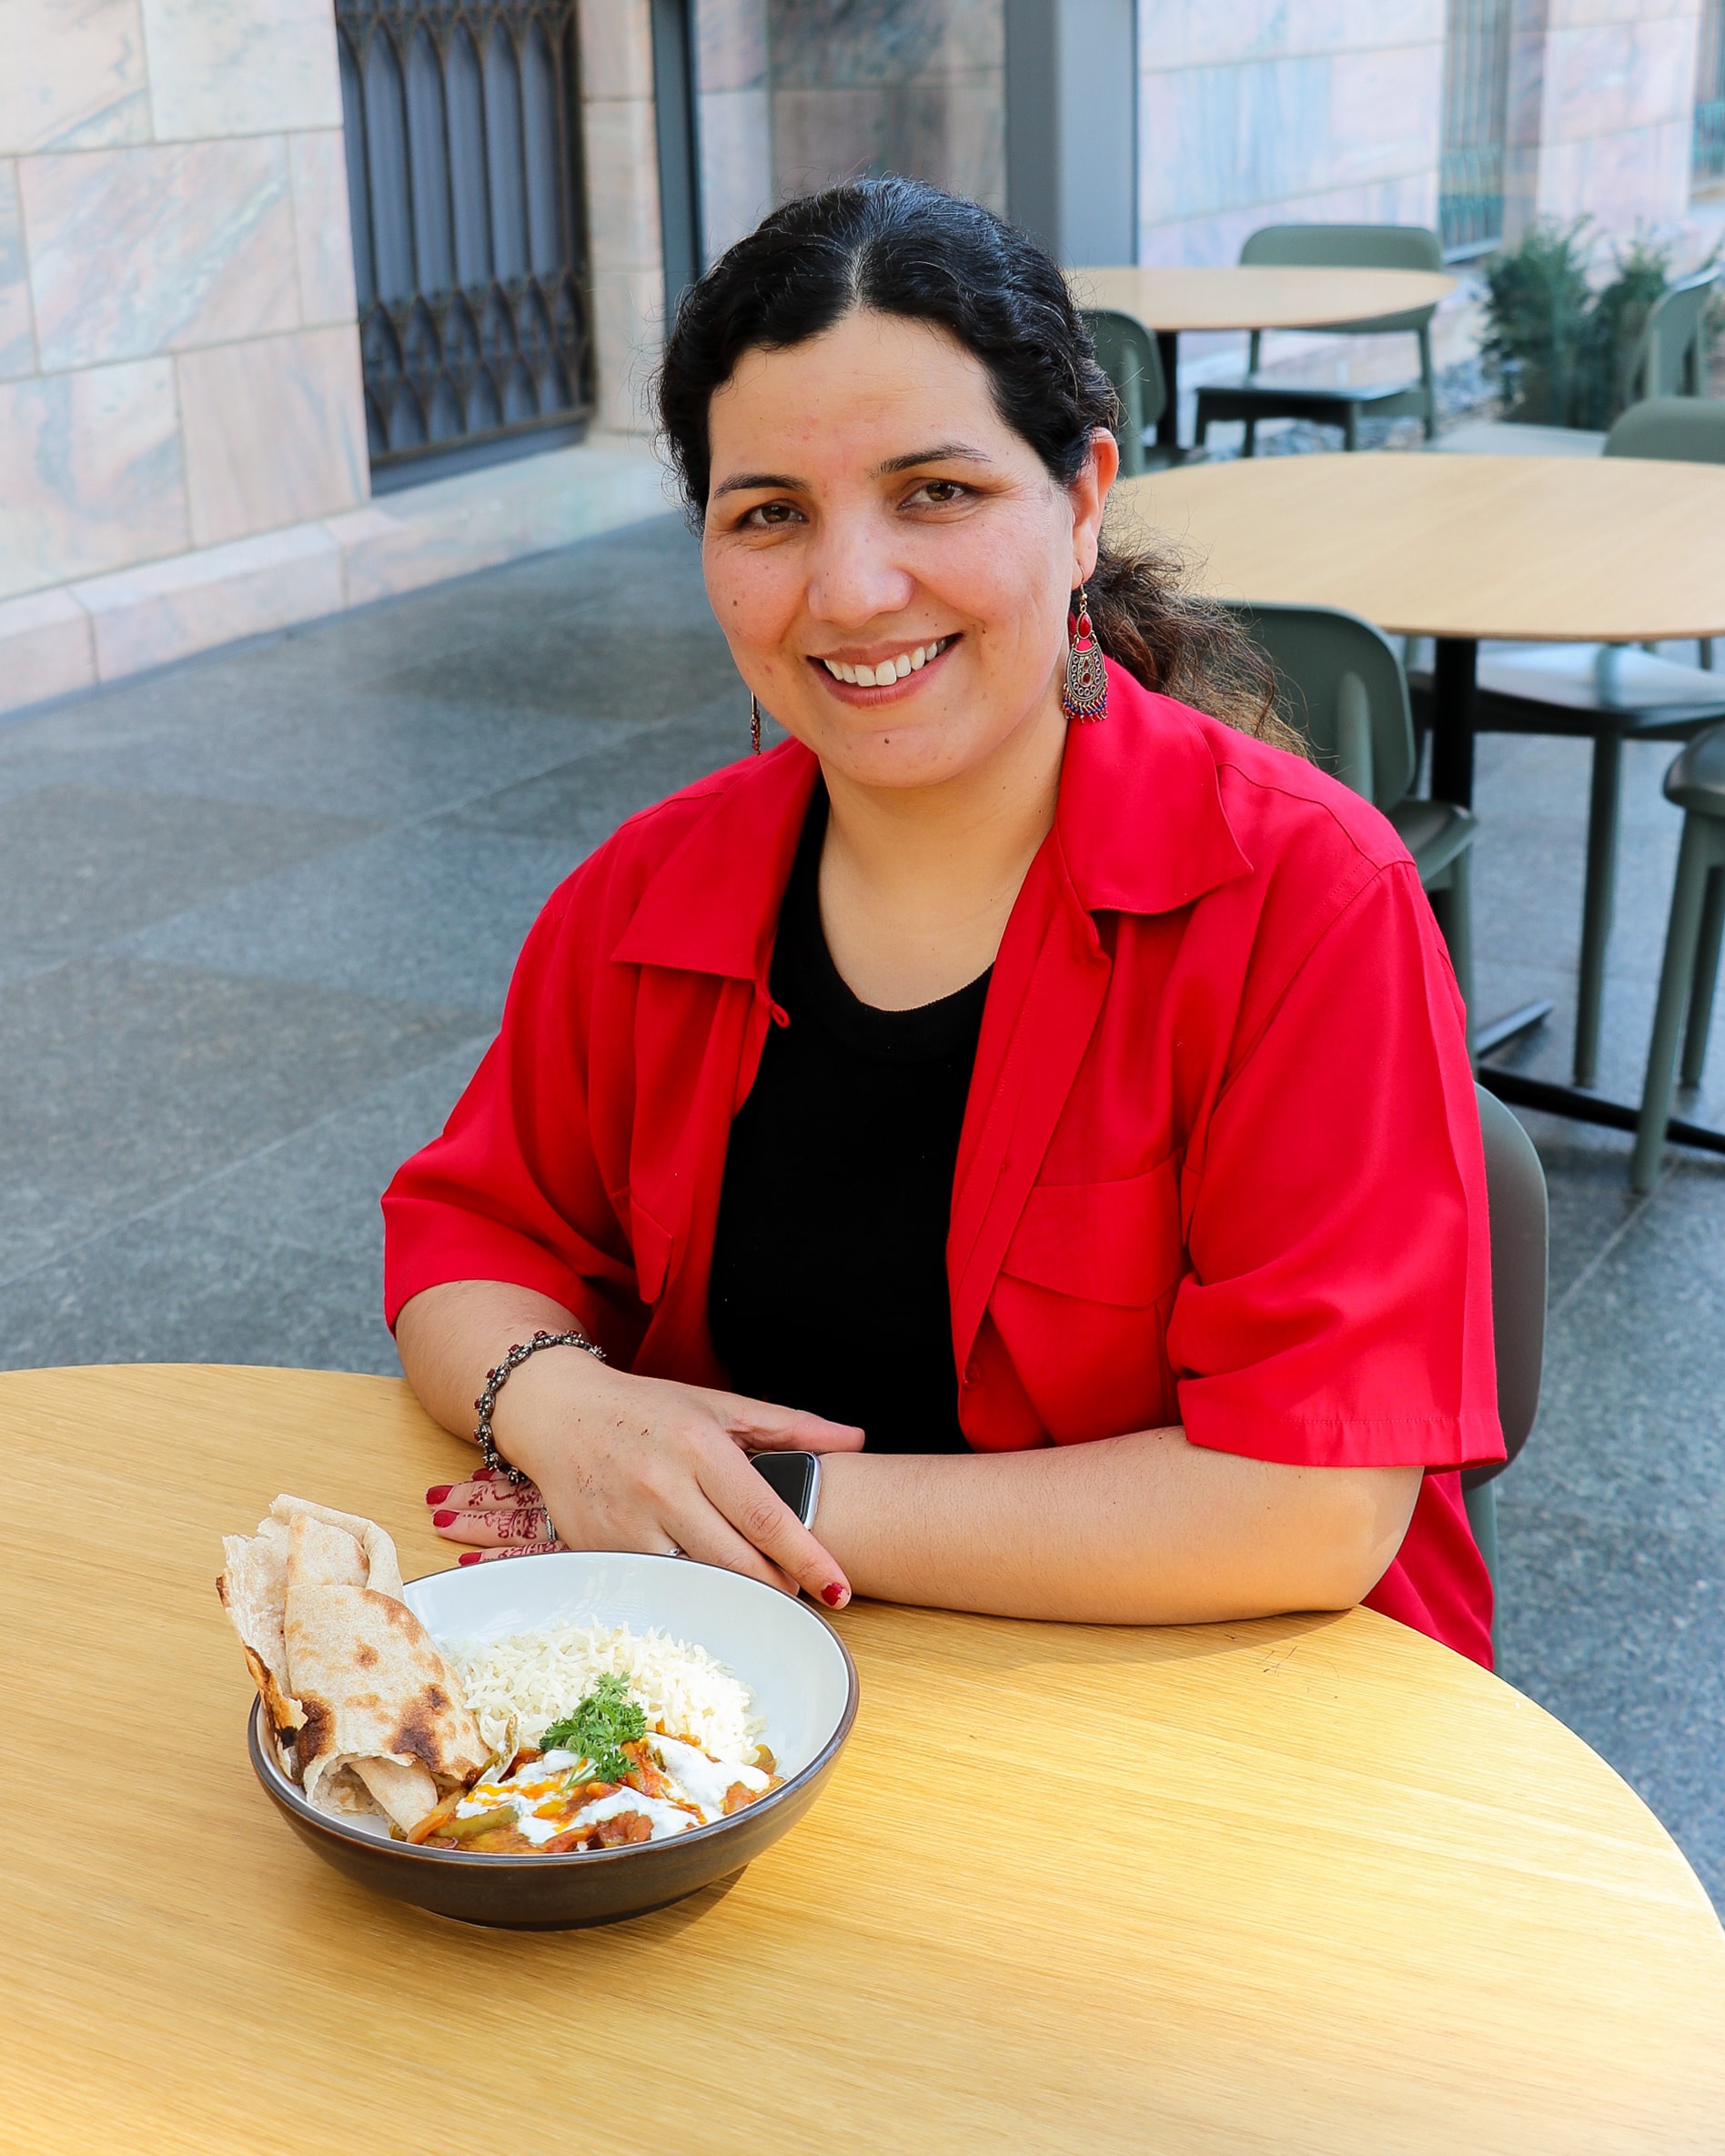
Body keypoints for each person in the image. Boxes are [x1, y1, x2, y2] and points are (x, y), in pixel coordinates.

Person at [384, 178, 1503, 1666]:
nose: (850, 589)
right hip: (735, 1711)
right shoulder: (645, 895)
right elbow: (469, 1238)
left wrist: (759, 1503)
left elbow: (1310, 1505)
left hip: (1231, 1724)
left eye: (938, 493)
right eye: (769, 513)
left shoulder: (1305, 900)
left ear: (1085, 499)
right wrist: (560, 1403)